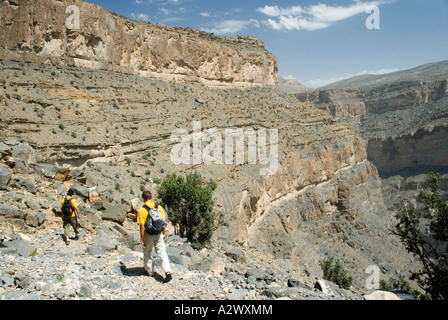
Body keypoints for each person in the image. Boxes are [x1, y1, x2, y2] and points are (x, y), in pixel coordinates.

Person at [137, 190, 172, 282]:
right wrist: (163, 234)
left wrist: (142, 239)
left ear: (143, 199)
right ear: (151, 198)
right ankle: (167, 271)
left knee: (147, 252)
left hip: (148, 235)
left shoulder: (142, 210)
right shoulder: (159, 207)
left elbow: (141, 227)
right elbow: (163, 222)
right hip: (159, 234)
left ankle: (150, 272)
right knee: (162, 252)